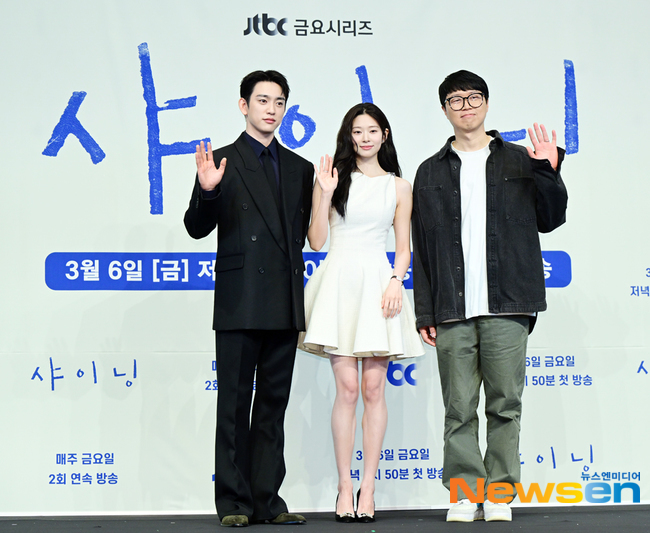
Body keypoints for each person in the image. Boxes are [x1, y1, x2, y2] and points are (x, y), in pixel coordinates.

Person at [411, 70, 568, 522]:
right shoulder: (429, 171)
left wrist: (547, 170)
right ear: (445, 109)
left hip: (509, 302)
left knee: (505, 404)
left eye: (473, 97)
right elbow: (423, 247)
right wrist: (425, 310)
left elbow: (552, 218)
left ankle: (498, 494)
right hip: (453, 307)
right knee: (458, 408)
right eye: (456, 99)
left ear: (486, 103)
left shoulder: (520, 159)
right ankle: (465, 493)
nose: (466, 106)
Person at [184, 70, 313, 528]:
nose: (271, 109)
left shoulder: (300, 168)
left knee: (273, 407)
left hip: (284, 299)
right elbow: (196, 228)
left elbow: (300, 237)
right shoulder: (220, 160)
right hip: (240, 300)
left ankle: (268, 502)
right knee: (234, 406)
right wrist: (207, 191)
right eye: (262, 100)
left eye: (279, 102)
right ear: (244, 105)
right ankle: (234, 503)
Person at [298, 103, 424, 523]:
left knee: (373, 390)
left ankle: (367, 487)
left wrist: (396, 281)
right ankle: (344, 485)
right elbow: (317, 241)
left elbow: (403, 247)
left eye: (372, 130)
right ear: (348, 136)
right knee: (348, 389)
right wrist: (324, 193)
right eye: (357, 131)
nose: (365, 138)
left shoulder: (399, 187)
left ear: (384, 135)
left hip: (379, 286)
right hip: (339, 283)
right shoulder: (332, 178)